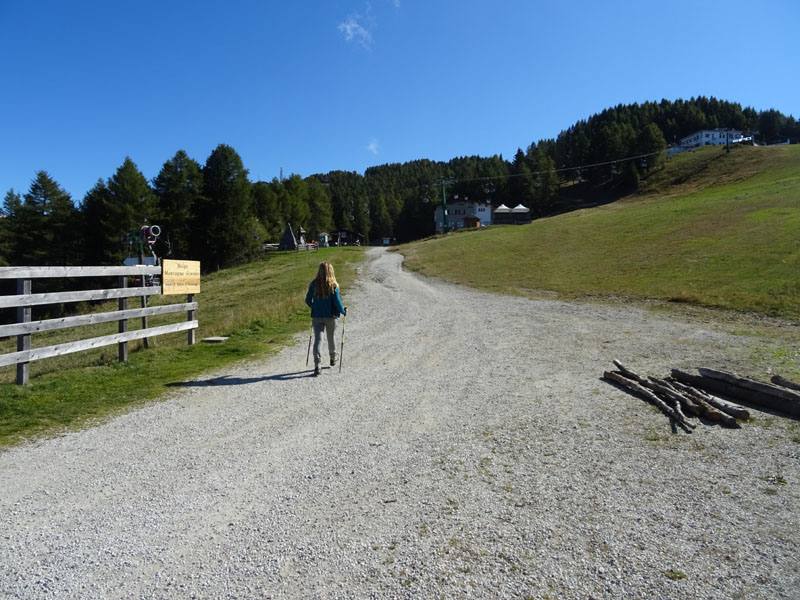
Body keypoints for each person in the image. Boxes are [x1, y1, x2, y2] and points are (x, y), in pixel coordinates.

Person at [305, 261, 347, 376]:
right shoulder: (333, 285)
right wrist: (343, 311)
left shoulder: (314, 284)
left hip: (317, 316)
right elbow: (337, 302)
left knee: (318, 340)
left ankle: (317, 365)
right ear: (331, 271)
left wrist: (315, 307)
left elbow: (307, 300)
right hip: (331, 316)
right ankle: (333, 358)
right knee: (331, 337)